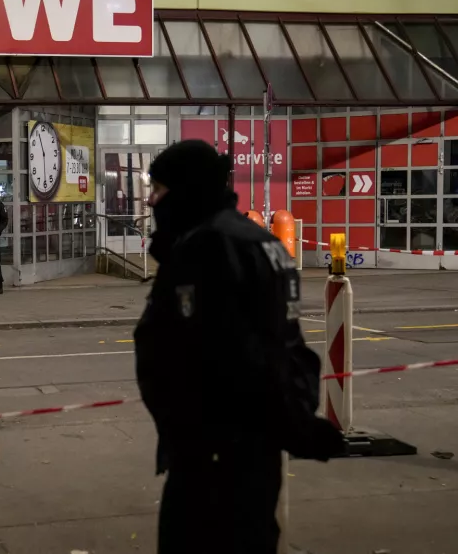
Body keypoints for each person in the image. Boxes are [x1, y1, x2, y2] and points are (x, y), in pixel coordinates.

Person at [133, 140, 344, 553]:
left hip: (214, 456)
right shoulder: (256, 240)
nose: (150, 199)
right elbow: (285, 347)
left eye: (157, 189)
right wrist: (294, 422)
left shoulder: (209, 247)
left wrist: (288, 425)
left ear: (185, 190)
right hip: (244, 453)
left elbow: (233, 356)